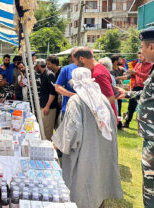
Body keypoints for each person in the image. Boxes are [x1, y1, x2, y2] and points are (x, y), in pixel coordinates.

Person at [52, 67, 123, 208]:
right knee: (98, 186)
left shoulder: (76, 101)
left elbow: (70, 135)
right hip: (102, 152)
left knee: (82, 191)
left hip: (84, 155)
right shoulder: (101, 98)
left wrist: (56, 145)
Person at [118, 28, 154, 208]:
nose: (141, 52)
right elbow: (146, 94)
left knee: (151, 185)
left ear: (152, 47)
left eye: (142, 47)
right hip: (150, 137)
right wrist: (125, 94)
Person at [73, 47, 118, 119]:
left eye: (76, 62)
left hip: (104, 120)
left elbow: (110, 99)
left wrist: (88, 108)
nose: (75, 65)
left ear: (81, 59)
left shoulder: (97, 74)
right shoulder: (97, 68)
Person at [123, 52, 153, 128]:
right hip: (136, 87)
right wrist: (130, 73)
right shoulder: (137, 64)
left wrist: (136, 72)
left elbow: (148, 77)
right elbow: (134, 75)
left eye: (140, 57)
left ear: (146, 56)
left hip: (145, 88)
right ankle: (127, 122)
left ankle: (143, 126)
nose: (139, 58)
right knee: (131, 106)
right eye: (138, 57)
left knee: (144, 108)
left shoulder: (151, 65)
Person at [34, 59, 58, 141]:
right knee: (42, 129)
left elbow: (53, 92)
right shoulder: (43, 74)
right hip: (44, 105)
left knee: (47, 132)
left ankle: (48, 148)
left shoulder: (49, 74)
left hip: (49, 107)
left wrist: (47, 106)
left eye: (35, 66)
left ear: (38, 66)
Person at [55, 49, 78, 119]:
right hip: (68, 108)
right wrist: (74, 96)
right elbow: (58, 87)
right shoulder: (67, 69)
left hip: (87, 109)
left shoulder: (91, 68)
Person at [46, 55, 62, 128]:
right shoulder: (50, 73)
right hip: (52, 102)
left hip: (60, 102)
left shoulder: (62, 72)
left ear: (54, 64)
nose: (47, 66)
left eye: (48, 64)